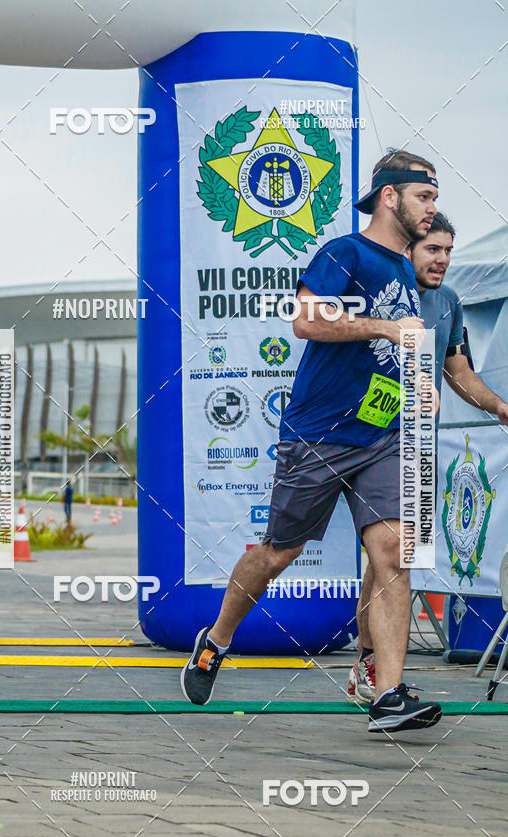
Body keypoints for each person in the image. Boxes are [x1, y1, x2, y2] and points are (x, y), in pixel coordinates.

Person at [182, 148, 445, 733]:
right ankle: (217, 638)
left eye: (435, 198)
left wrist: (418, 386)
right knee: (279, 553)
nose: (432, 208)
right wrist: (382, 326)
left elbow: (390, 354)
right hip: (320, 435)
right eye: (424, 196)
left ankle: (389, 695)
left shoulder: (405, 269)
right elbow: (307, 322)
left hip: (382, 434)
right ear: (390, 196)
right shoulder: (344, 253)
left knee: (394, 555)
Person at [348, 212, 508, 701]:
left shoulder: (449, 301)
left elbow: (457, 372)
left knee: (392, 560)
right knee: (378, 556)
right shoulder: (379, 290)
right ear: (408, 249)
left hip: (417, 447)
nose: (442, 260)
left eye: (448, 251)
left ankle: (374, 671)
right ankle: (371, 666)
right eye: (432, 250)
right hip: (361, 442)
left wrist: (500, 406)